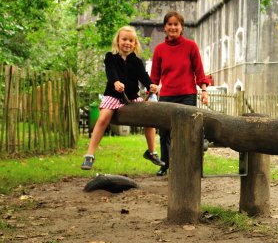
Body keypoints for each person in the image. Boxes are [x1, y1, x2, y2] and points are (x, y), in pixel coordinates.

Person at [81, 26, 164, 170]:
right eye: (124, 39)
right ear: (118, 41)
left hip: (132, 97)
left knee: (150, 117)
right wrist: (115, 82)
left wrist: (151, 85)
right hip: (113, 95)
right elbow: (111, 72)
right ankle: (89, 154)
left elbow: (143, 77)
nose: (127, 43)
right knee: (103, 118)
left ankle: (152, 152)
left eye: (131, 40)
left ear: (135, 43)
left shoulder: (137, 62)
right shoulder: (110, 57)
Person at [150, 11, 210, 176]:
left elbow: (199, 71)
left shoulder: (191, 46)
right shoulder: (159, 50)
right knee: (165, 133)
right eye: (170, 24)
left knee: (188, 132)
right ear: (165, 27)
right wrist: (151, 89)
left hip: (187, 96)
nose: (173, 27)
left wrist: (204, 91)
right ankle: (166, 165)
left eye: (176, 24)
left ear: (181, 27)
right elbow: (153, 77)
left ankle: (189, 166)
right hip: (167, 96)